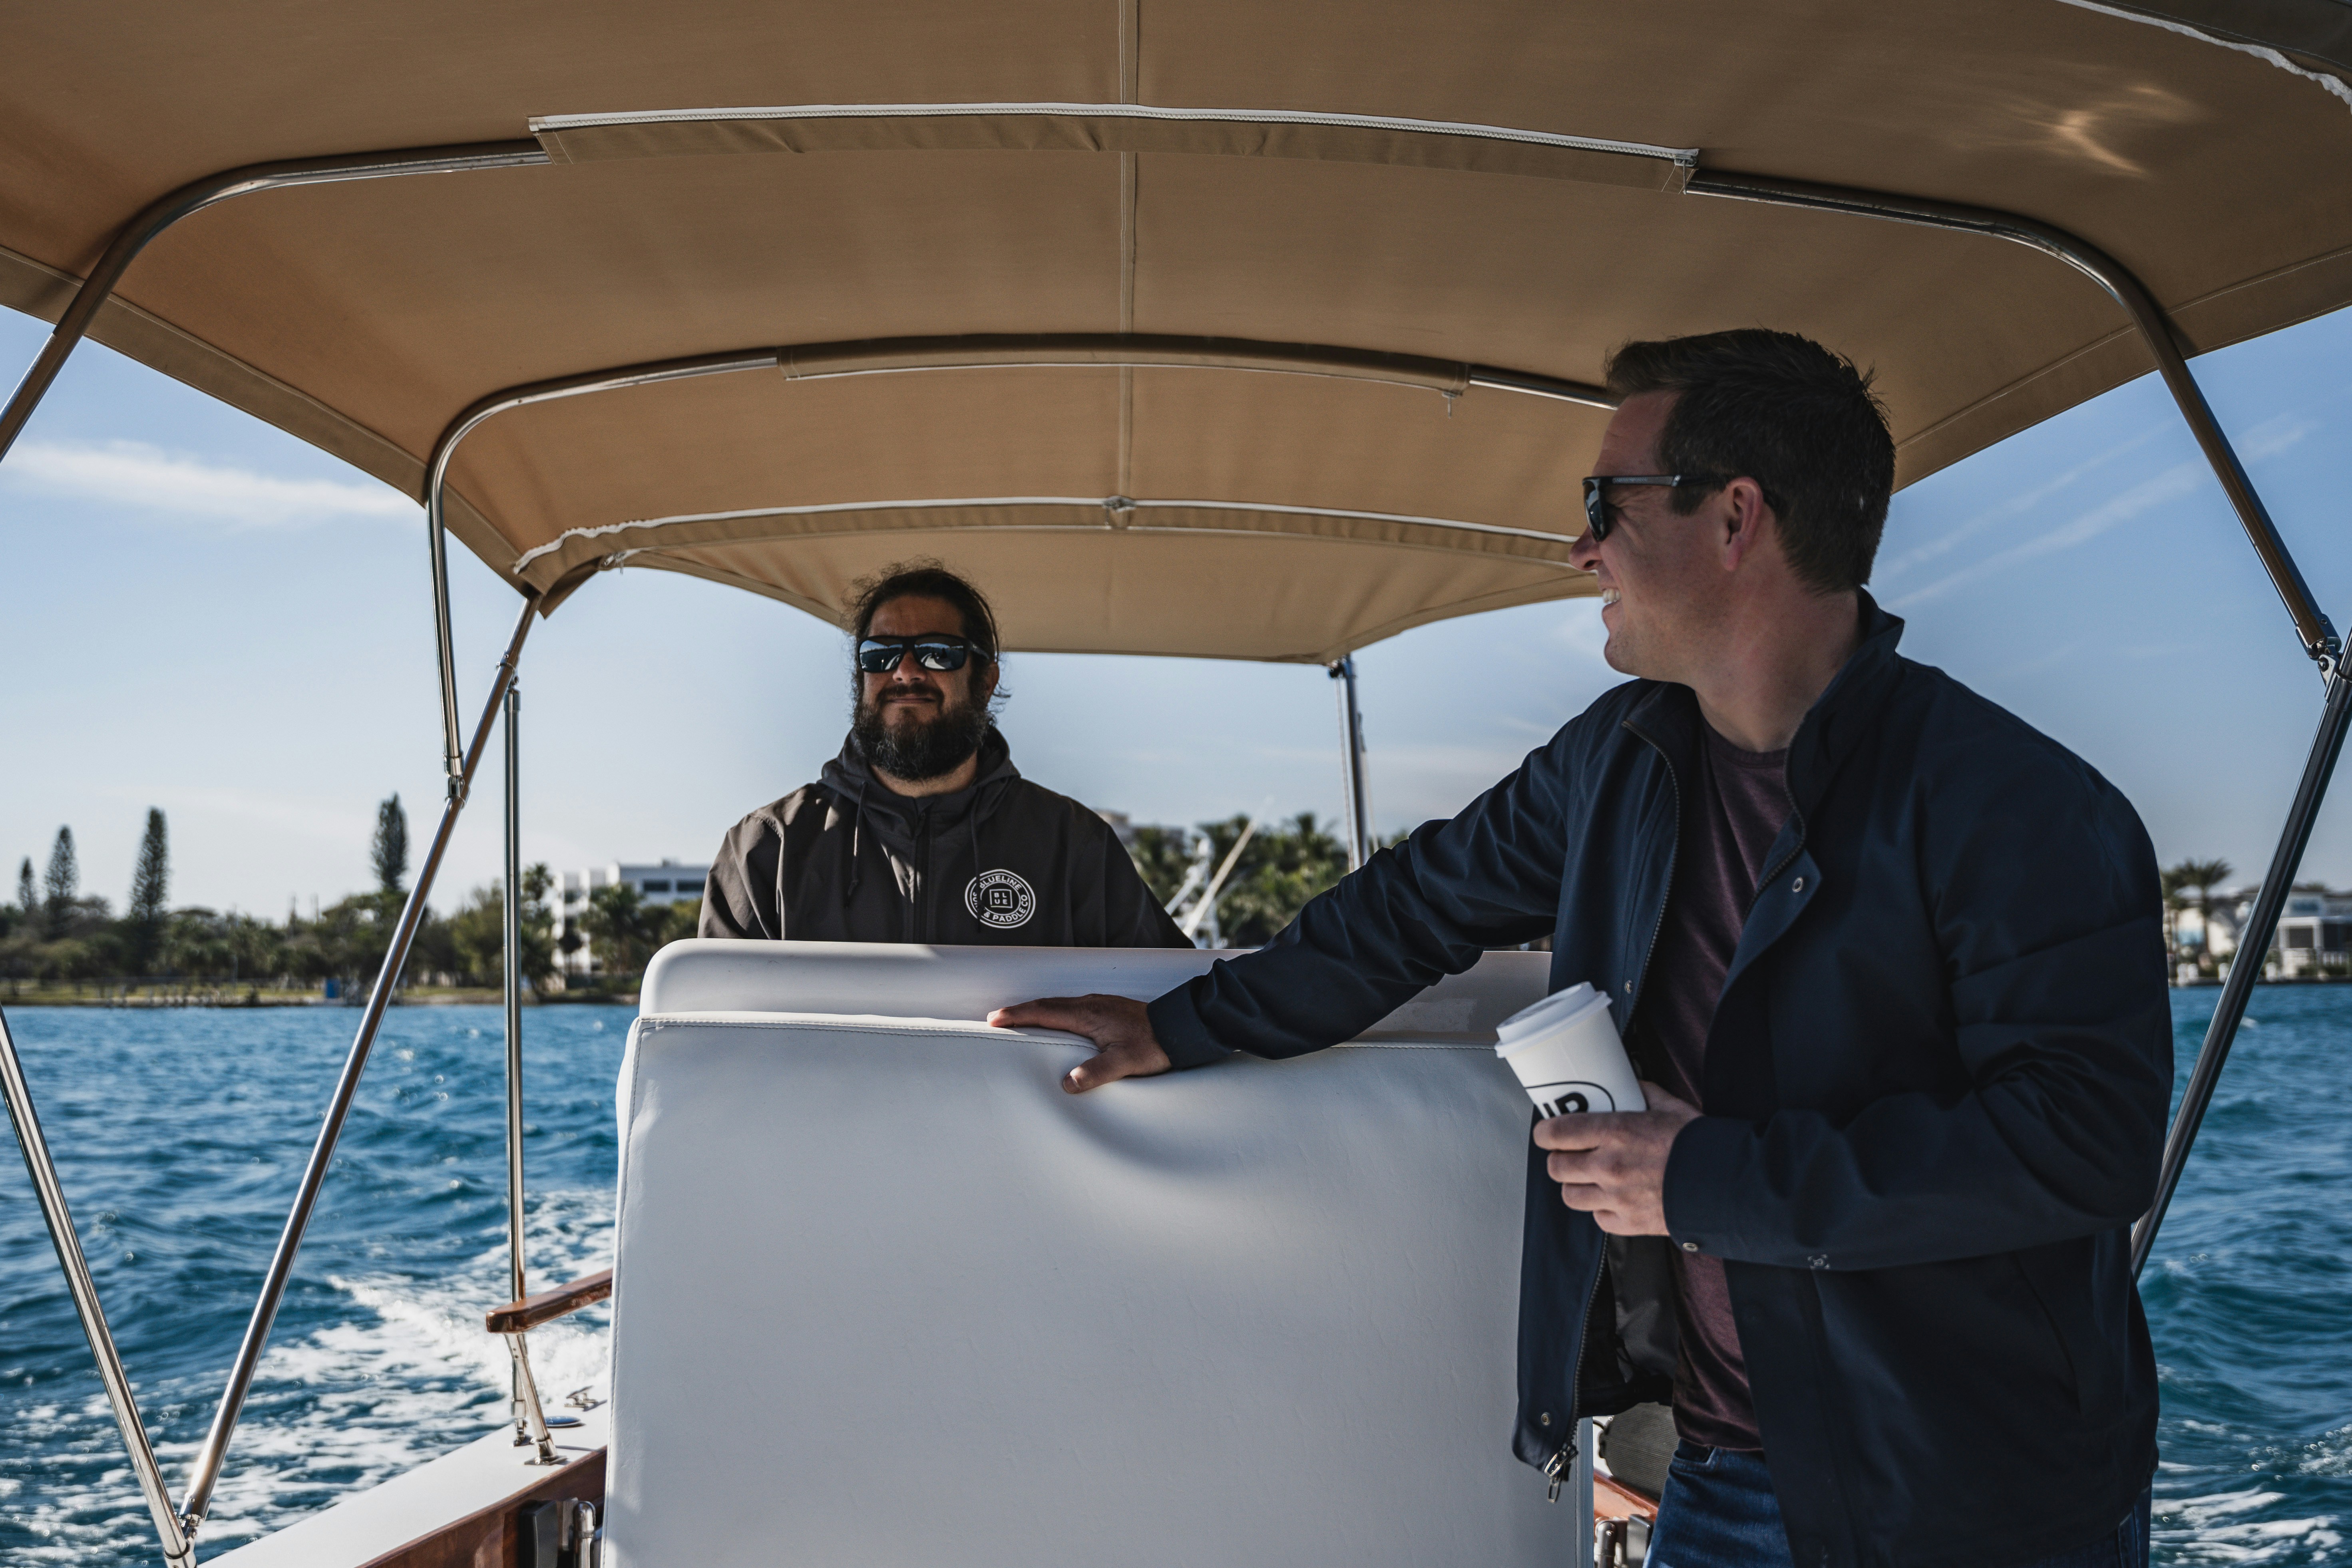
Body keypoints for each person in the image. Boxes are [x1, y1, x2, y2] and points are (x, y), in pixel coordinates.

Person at [994, 331, 2169, 1568]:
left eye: (1605, 502)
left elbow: (2082, 1142)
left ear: (1735, 518)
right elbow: (1412, 910)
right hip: (1718, 1479)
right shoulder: (1617, 764)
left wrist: (1704, 1178)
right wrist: (1179, 1025)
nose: (1581, 546)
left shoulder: (2019, 805)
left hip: (1974, 1503)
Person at [701, 561, 1191, 949]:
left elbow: (1167, 1003)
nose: (905, 671)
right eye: (880, 654)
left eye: (938, 652)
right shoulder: (769, 848)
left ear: (986, 679)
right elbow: (708, 1036)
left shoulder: (1075, 848)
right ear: (861, 677)